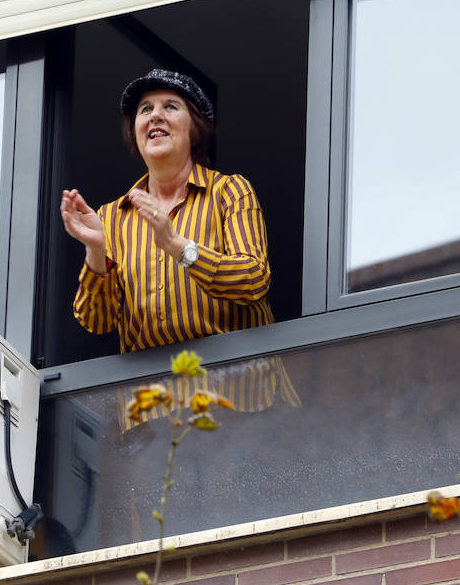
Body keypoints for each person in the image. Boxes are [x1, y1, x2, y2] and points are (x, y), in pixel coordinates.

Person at [60, 69, 298, 416]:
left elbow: (253, 278)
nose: (155, 115)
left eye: (170, 106)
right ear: (136, 133)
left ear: (194, 128)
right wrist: (96, 250)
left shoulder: (229, 191)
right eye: (145, 109)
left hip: (240, 404)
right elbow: (97, 321)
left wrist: (177, 246)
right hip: (154, 417)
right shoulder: (112, 216)